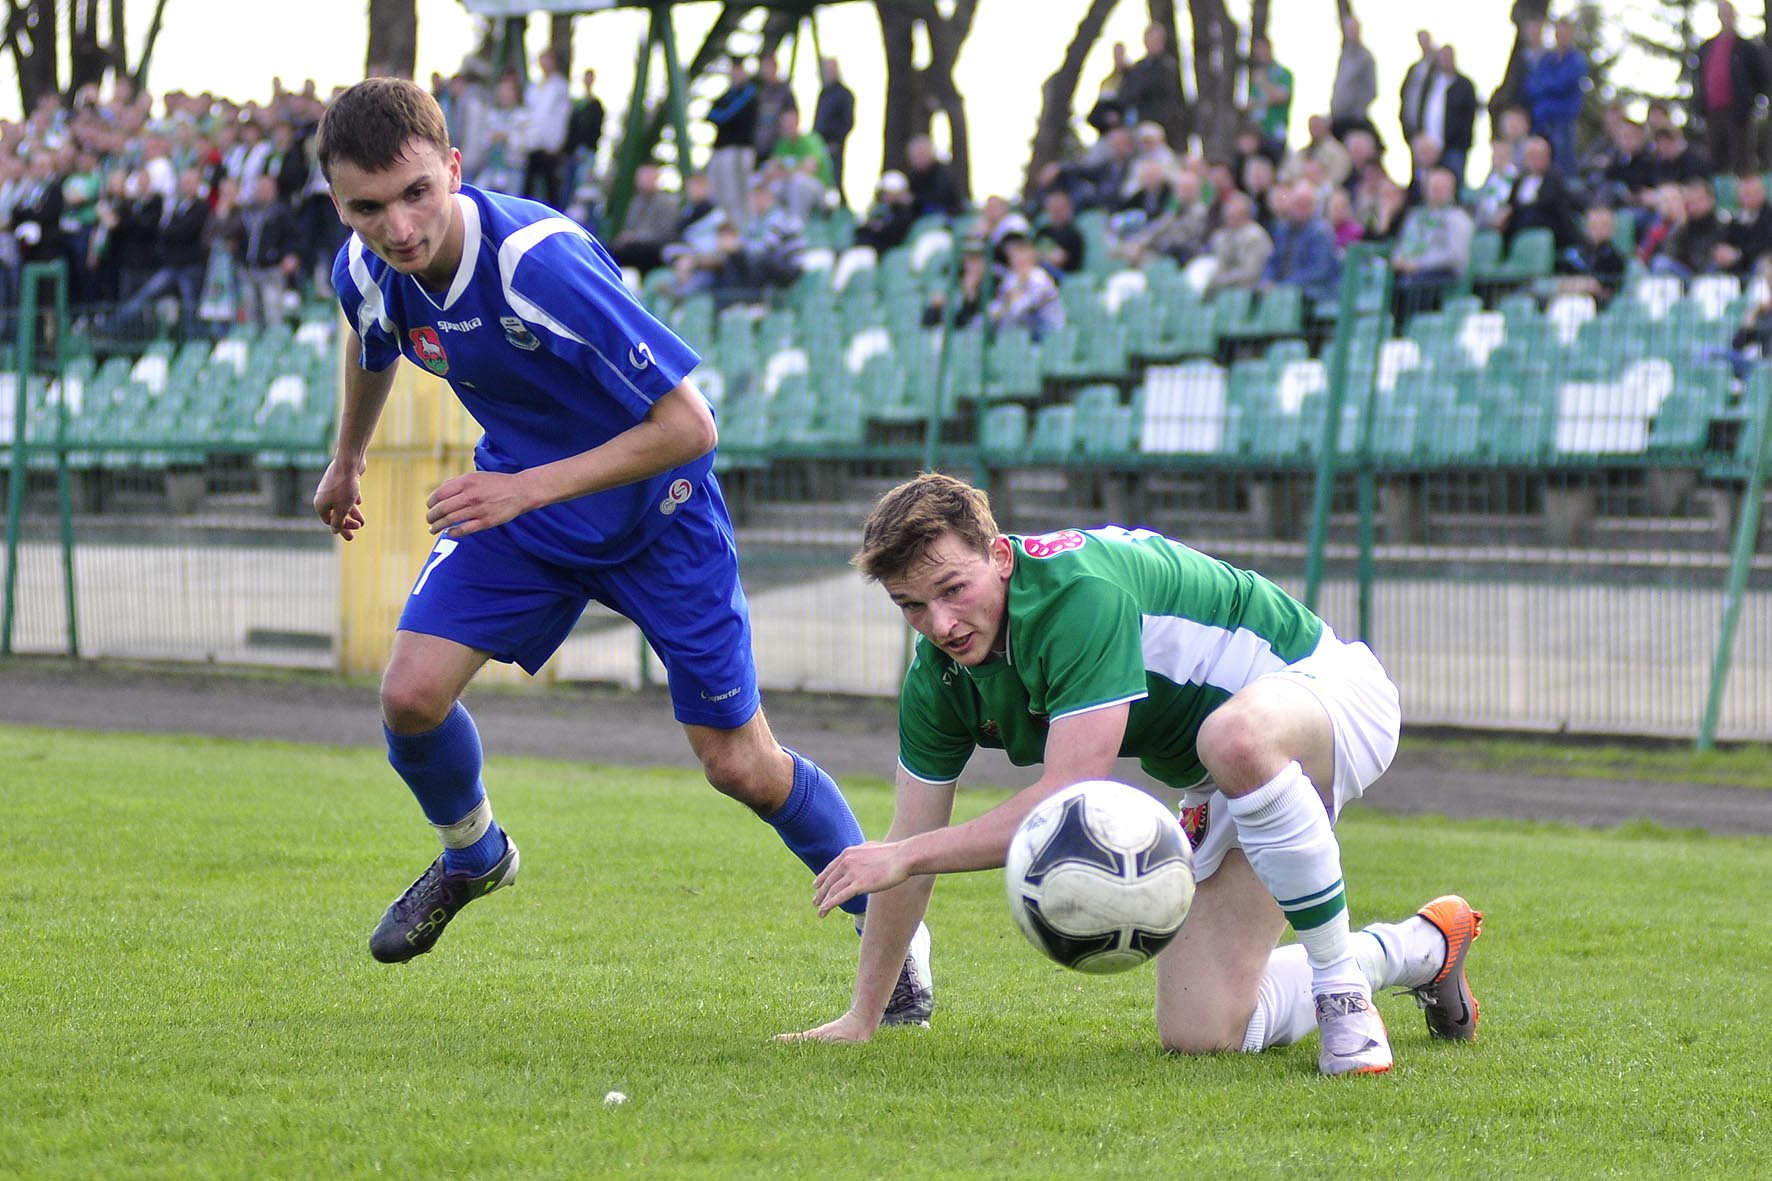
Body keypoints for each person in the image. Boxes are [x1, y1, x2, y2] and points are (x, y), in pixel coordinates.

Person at [307, 78, 933, 1024]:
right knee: (408, 695)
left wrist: (524, 485)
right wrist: (347, 458)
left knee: (740, 766)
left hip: (658, 517)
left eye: (416, 193)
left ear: (454, 171)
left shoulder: (536, 262)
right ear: (338, 203)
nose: (397, 227)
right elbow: (371, 339)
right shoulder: (362, 269)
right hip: (524, 513)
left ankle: (888, 924)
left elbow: (692, 425)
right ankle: (475, 854)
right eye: (366, 207)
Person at [778, 473, 1484, 1077]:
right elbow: (909, 846)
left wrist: (904, 854)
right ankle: (1421, 946)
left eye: (952, 589)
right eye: (911, 605)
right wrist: (862, 1015)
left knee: (1231, 735)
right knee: (1203, 1029)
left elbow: (1064, 796)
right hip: (1223, 773)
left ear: (999, 556)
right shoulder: (938, 679)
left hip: (1327, 692)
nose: (939, 622)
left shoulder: (1074, 595)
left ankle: (1342, 996)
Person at [1693, 2, 1768, 177]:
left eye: (1729, 13)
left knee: (1742, 162)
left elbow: (1761, 77)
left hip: (1738, 113)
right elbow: (1699, 77)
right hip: (1712, 112)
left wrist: (1749, 101)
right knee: (1717, 160)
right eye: (1723, 13)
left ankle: (1747, 199)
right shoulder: (1706, 47)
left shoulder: (1747, 48)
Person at [812, 57, 855, 202]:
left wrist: (836, 141)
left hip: (834, 145)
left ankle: (841, 209)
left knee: (835, 178)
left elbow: (848, 121)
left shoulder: (844, 94)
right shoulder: (824, 93)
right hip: (819, 145)